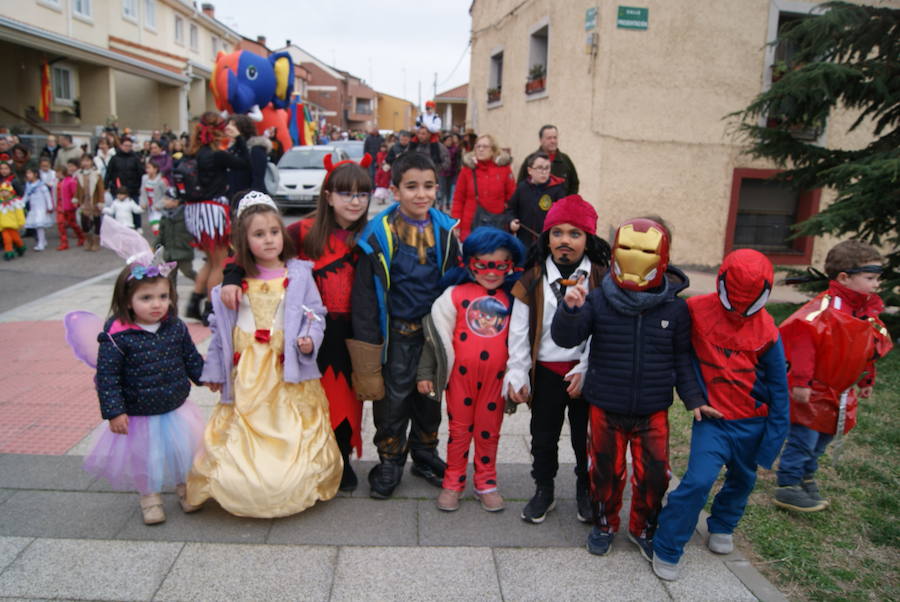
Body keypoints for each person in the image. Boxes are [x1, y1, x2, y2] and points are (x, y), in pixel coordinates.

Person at [551, 217, 705, 558]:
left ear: (662, 255)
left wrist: (693, 397)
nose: (636, 256)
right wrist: (570, 309)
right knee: (604, 473)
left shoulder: (675, 309)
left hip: (652, 408)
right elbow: (566, 339)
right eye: (629, 248)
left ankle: (643, 527)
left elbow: (682, 357)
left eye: (646, 249)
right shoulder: (598, 299)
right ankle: (604, 524)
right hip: (606, 404)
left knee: (655, 476)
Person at [220, 158, 373, 493]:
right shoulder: (302, 231)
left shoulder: (371, 235)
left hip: (353, 330)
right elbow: (257, 251)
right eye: (346, 193)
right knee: (308, 398)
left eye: (363, 194)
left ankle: (342, 458)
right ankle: (307, 457)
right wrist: (231, 276)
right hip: (306, 329)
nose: (355, 201)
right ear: (328, 195)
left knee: (348, 400)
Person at [186, 192, 342, 517]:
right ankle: (235, 478)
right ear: (244, 240)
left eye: (273, 232)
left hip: (288, 369)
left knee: (292, 424)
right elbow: (220, 332)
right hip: (248, 372)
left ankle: (296, 478)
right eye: (258, 234)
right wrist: (215, 369)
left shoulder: (299, 274)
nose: (269, 240)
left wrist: (309, 339)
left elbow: (315, 313)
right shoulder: (235, 282)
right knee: (239, 425)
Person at [652, 250, 790, 580]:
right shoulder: (696, 310)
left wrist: (771, 445)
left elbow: (780, 389)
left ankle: (723, 524)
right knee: (698, 481)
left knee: (742, 480)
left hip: (753, 423)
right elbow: (673, 338)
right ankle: (668, 545)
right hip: (713, 420)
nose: (740, 310)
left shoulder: (768, 331)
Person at [347, 151, 461, 499]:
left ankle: (424, 454)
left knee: (430, 398)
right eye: (411, 187)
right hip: (395, 333)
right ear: (395, 190)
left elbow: (457, 280)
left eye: (428, 186)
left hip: (434, 334)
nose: (421, 194)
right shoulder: (377, 234)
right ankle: (390, 460)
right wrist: (369, 344)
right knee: (393, 401)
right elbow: (366, 295)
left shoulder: (446, 230)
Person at [83, 216, 206, 524]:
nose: (157, 304)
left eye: (163, 297)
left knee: (182, 453)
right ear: (127, 300)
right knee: (145, 459)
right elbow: (108, 378)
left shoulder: (174, 327)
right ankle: (149, 496)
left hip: (175, 407)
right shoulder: (117, 335)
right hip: (138, 413)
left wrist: (208, 378)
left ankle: (183, 488)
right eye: (146, 298)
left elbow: (191, 357)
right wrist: (114, 411)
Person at [504, 195, 610, 525]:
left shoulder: (602, 279)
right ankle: (544, 489)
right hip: (547, 371)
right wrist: (517, 371)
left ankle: (585, 489)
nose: (565, 241)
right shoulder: (532, 278)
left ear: (588, 239)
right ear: (547, 237)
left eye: (575, 234)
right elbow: (519, 331)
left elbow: (606, 329)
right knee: (543, 436)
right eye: (558, 233)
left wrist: (587, 367)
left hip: (585, 371)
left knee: (585, 438)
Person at [773, 240, 893, 511]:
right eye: (870, 278)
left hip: (839, 391)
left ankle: (806, 476)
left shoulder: (864, 312)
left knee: (825, 436)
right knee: (805, 438)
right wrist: (801, 382)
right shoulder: (823, 311)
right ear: (844, 278)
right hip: (814, 389)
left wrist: (865, 380)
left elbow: (865, 349)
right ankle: (788, 485)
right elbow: (803, 342)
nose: (876, 285)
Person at [419, 227, 526, 512]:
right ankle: (453, 482)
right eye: (483, 264)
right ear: (468, 263)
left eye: (500, 265)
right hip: (460, 380)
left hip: (496, 380)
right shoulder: (453, 295)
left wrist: (522, 377)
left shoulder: (514, 299)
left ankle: (486, 482)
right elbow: (435, 338)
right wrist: (425, 374)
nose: (491, 272)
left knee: (489, 432)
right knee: (458, 431)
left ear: (511, 265)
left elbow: (523, 341)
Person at [183, 111, 248, 323]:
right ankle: (210, 310)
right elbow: (244, 163)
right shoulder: (217, 155)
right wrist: (239, 138)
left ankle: (194, 302)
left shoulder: (194, 153)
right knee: (220, 262)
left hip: (194, 211)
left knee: (210, 261)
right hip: (213, 212)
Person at [451, 134, 515, 240]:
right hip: (470, 226)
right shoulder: (467, 170)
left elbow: (512, 199)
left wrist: (511, 221)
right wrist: (455, 224)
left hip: (497, 225)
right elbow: (458, 199)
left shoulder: (504, 170)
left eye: (485, 147)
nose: (480, 149)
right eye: (478, 146)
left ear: (493, 150)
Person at [507, 151, 568, 247]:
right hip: (524, 241)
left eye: (547, 168)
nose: (544, 172)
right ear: (530, 170)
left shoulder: (557, 190)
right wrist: (512, 221)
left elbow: (563, 216)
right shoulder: (522, 188)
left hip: (547, 243)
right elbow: (510, 210)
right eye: (540, 168)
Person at [517, 125, 579, 196]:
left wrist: (567, 202)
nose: (553, 141)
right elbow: (521, 185)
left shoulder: (565, 160)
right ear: (541, 140)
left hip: (561, 205)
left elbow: (574, 184)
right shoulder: (530, 160)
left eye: (555, 138)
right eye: (549, 138)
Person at [155, 188, 196, 289]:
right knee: (170, 277)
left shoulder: (187, 214)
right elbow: (161, 234)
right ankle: (172, 299)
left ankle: (203, 285)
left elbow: (193, 232)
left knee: (188, 272)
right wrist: (154, 245)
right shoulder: (165, 216)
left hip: (183, 251)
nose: (164, 201)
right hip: (169, 253)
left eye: (167, 199)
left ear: (176, 201)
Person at [104, 136, 144, 229]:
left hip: (132, 190)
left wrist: (138, 187)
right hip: (118, 189)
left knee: (135, 211)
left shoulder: (135, 158)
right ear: (121, 146)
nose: (128, 148)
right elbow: (108, 173)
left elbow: (140, 173)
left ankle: (137, 228)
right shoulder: (114, 158)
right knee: (118, 211)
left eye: (130, 146)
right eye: (126, 145)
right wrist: (105, 186)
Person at [75, 154, 105, 251]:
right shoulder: (79, 174)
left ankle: (96, 241)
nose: (85, 163)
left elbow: (101, 189)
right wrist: (76, 198)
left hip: (95, 201)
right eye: (83, 161)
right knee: (84, 222)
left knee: (97, 221)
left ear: (92, 162)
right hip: (85, 202)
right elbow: (78, 189)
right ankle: (88, 239)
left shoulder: (96, 174)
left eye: (88, 161)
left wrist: (101, 201)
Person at [24, 166, 55, 252]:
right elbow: (26, 196)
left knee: (39, 226)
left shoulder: (41, 185)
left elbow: (47, 196)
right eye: (27, 173)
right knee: (37, 227)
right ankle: (43, 241)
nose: (28, 175)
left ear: (36, 174)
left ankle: (41, 243)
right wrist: (20, 203)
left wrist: (49, 206)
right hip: (33, 209)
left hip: (41, 208)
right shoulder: (28, 185)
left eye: (30, 173)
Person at [56, 159, 85, 249]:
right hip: (60, 207)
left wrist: (76, 203)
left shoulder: (71, 181)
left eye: (58, 172)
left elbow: (74, 193)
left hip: (69, 206)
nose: (57, 174)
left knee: (72, 224)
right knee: (60, 224)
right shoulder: (57, 182)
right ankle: (64, 243)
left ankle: (81, 236)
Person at [0, 162, 26, 260]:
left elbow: (21, 193)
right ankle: (9, 252)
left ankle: (20, 247)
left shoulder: (14, 181)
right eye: (1, 168)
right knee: (7, 238)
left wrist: (21, 222)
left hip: (13, 220)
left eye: (6, 168)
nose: (3, 171)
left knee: (16, 238)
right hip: (3, 222)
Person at [140, 160, 167, 236]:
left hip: (159, 209)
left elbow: (167, 195)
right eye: (146, 168)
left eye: (149, 168)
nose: (147, 170)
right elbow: (143, 191)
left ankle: (160, 244)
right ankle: (161, 244)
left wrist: (159, 205)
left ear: (155, 169)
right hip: (150, 208)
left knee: (156, 227)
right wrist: (143, 203)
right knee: (154, 227)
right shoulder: (144, 178)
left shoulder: (161, 181)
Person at [438, 133, 461, 212]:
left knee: (449, 189)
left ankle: (448, 203)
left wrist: (457, 168)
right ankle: (441, 204)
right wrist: (441, 167)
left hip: (452, 172)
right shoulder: (441, 148)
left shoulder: (455, 149)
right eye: (447, 140)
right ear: (444, 141)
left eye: (450, 140)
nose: (449, 142)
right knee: (442, 189)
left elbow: (458, 160)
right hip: (442, 172)